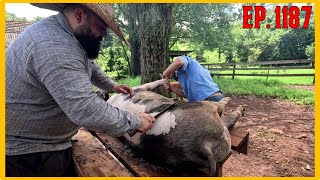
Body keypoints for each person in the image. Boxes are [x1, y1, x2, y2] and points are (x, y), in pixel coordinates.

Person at [6, 3, 155, 177]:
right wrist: (136, 122)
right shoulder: (55, 46)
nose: (104, 34)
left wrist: (111, 85)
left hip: (39, 145)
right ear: (79, 15)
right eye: (101, 26)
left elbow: (88, 65)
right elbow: (85, 109)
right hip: (30, 154)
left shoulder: (65, 35)